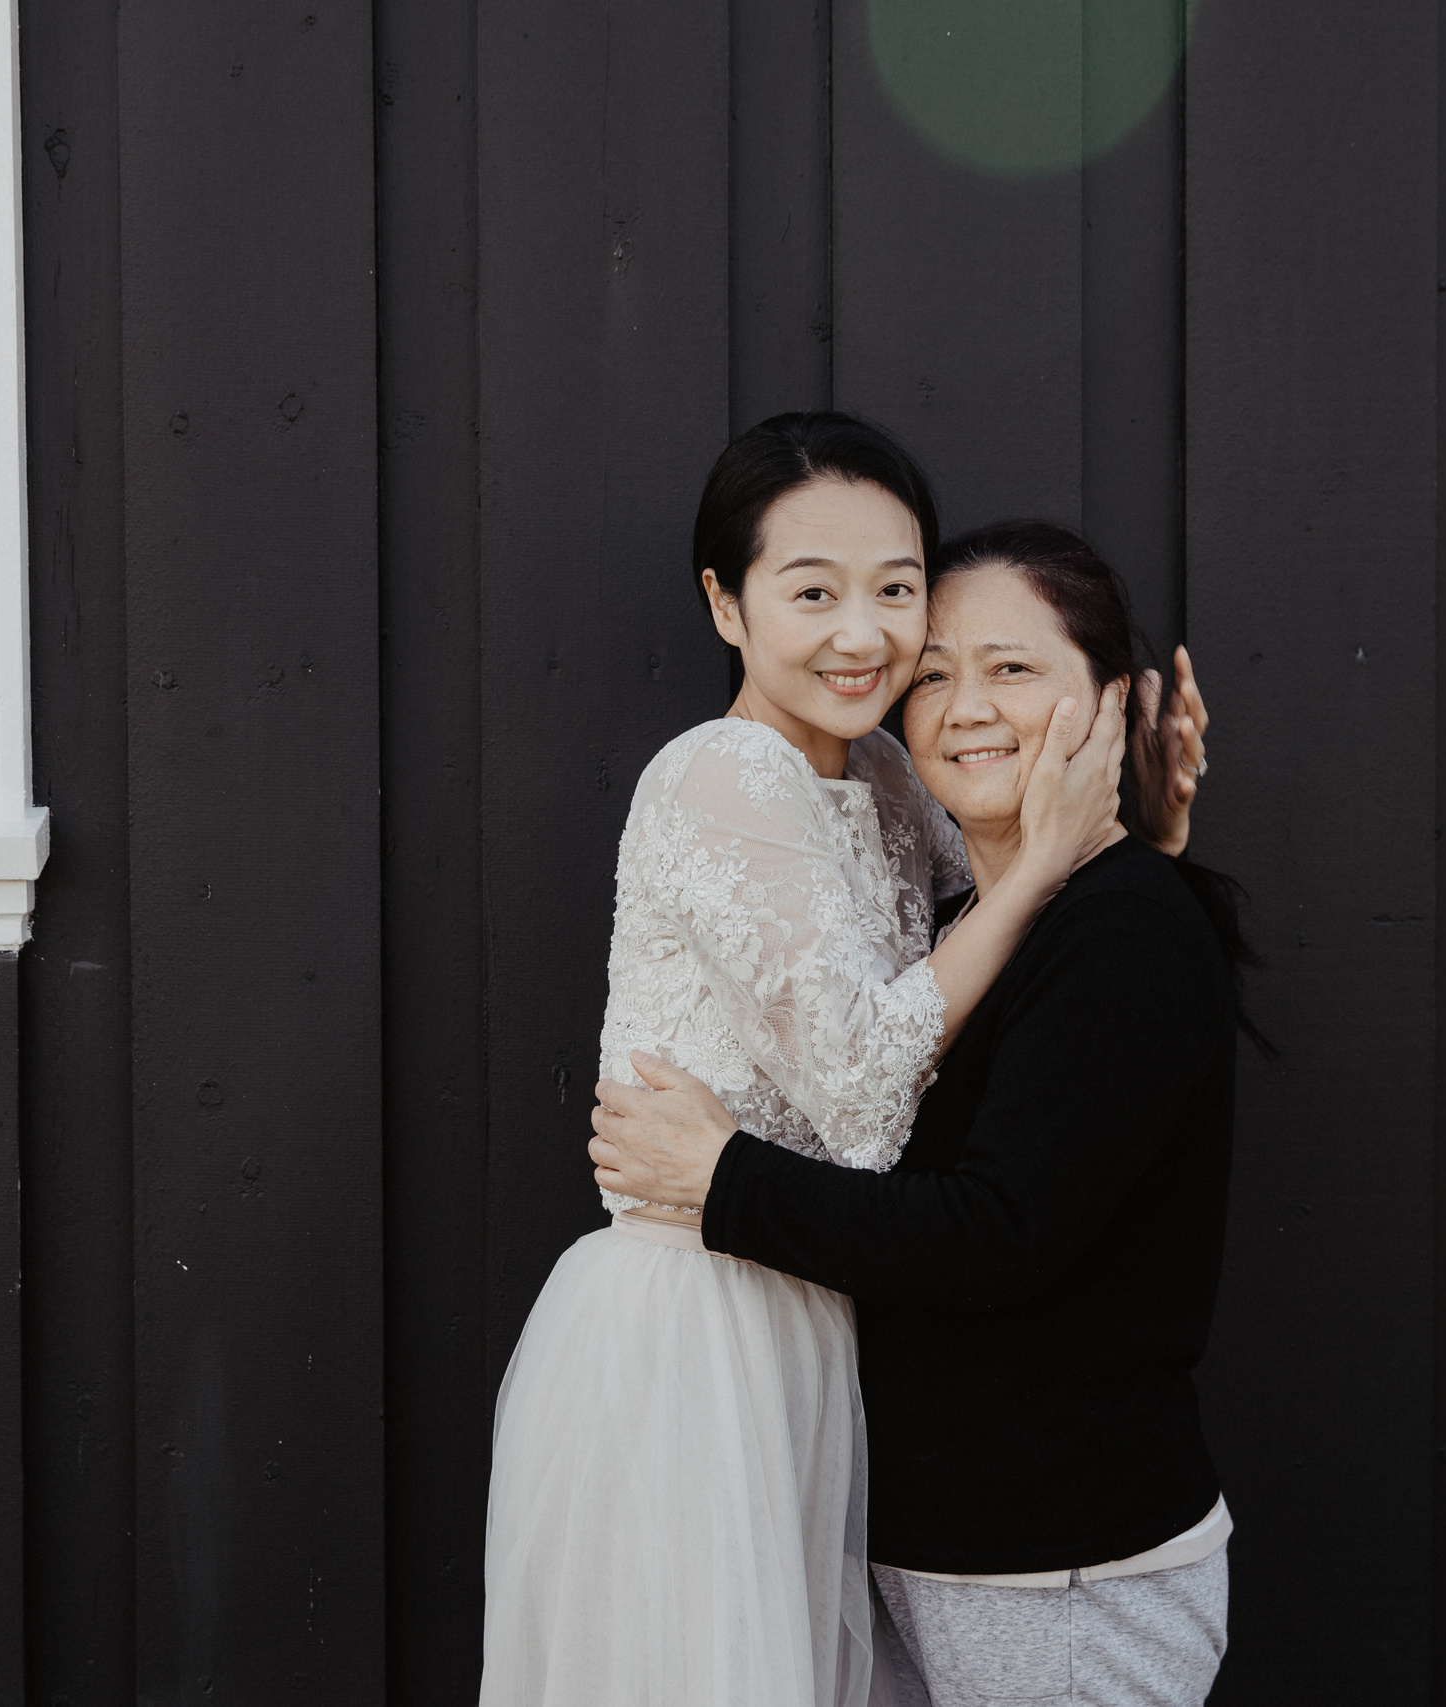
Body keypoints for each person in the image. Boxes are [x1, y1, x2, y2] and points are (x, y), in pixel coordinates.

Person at [478, 417, 1209, 1707]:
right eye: (811, 591)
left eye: (895, 590)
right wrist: (1052, 863)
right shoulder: (717, 775)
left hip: (822, 1317)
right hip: (697, 1323)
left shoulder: (882, 774)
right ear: (725, 602)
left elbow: (990, 966)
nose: (863, 635)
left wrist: (1127, 844)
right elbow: (875, 1084)